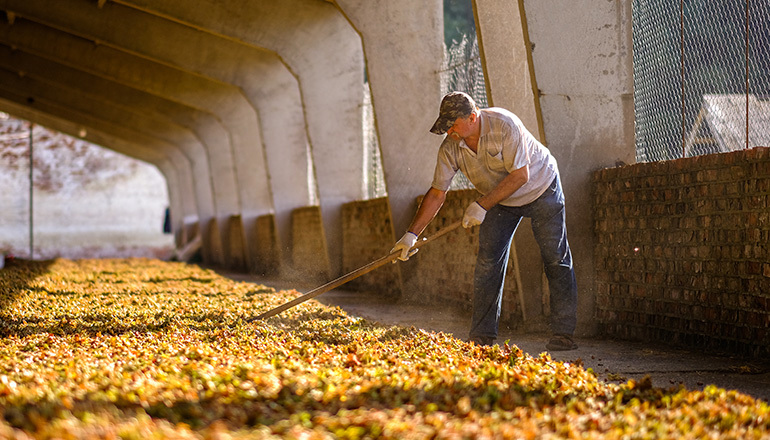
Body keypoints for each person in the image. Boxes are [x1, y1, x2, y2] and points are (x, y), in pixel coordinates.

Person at [390, 91, 578, 351]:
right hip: (500, 200)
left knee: (555, 256)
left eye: (453, 125)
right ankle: (482, 337)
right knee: (488, 260)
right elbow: (437, 193)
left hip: (541, 187)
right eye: (446, 127)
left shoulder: (505, 125)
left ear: (473, 116)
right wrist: (411, 235)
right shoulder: (451, 147)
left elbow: (520, 176)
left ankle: (564, 333)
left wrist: (481, 205)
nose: (449, 131)